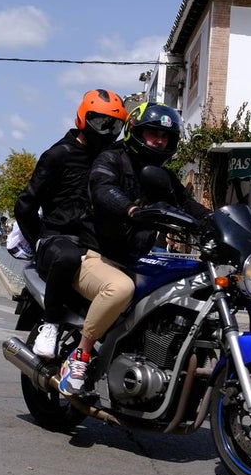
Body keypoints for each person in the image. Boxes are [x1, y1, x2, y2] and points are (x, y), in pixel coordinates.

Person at [86, 102, 211, 393]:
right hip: (99, 254)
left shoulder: (161, 175)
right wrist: (130, 209)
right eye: (153, 132)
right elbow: (102, 188)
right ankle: (82, 354)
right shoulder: (112, 158)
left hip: (135, 258)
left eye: (165, 136)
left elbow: (187, 204)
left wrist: (221, 221)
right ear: (135, 132)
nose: (159, 140)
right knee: (121, 290)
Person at [13, 88, 132, 387]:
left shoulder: (110, 158)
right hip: (58, 238)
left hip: (94, 242)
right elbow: (25, 204)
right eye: (100, 122)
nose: (106, 131)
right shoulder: (58, 155)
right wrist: (37, 240)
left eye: (114, 126)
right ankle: (50, 324)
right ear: (83, 118)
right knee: (66, 256)